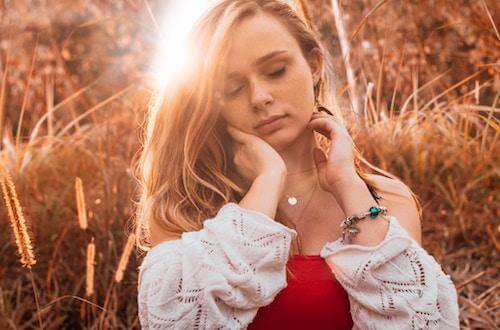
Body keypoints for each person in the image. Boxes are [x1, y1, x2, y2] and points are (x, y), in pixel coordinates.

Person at [134, 0, 460, 329]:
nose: (259, 97)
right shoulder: (185, 210)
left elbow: (421, 323)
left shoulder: (387, 201)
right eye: (233, 88)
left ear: (314, 64)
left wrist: (347, 183)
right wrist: (267, 181)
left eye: (276, 71)